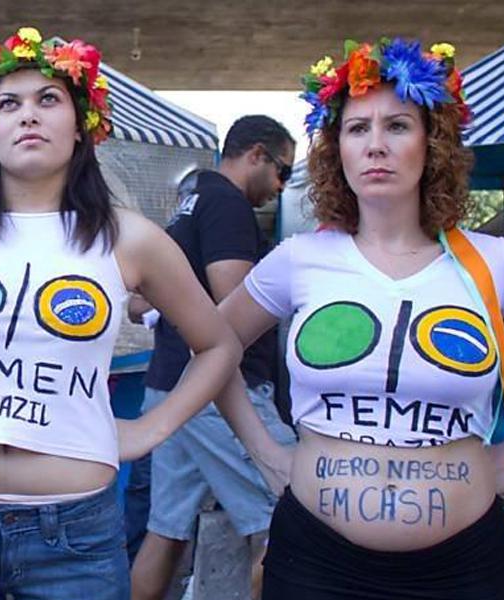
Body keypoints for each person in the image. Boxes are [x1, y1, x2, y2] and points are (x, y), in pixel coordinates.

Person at [0, 27, 241, 600]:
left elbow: (218, 345)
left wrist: (150, 430)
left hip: (75, 535)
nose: (28, 116)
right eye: (9, 104)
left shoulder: (128, 239)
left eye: (49, 100)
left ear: (82, 124)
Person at [215, 39, 504, 599]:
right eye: (358, 129)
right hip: (315, 562)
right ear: (337, 149)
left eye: (398, 126)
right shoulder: (298, 258)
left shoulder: (494, 263)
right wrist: (265, 451)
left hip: (462, 570)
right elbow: (213, 347)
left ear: (432, 145)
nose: (376, 145)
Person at [126, 116, 298, 600]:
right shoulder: (227, 204)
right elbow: (233, 301)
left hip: (170, 385)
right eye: (283, 171)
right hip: (222, 389)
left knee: (166, 529)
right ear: (257, 155)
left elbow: (139, 301)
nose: (281, 187)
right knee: (289, 518)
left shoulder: (190, 202)